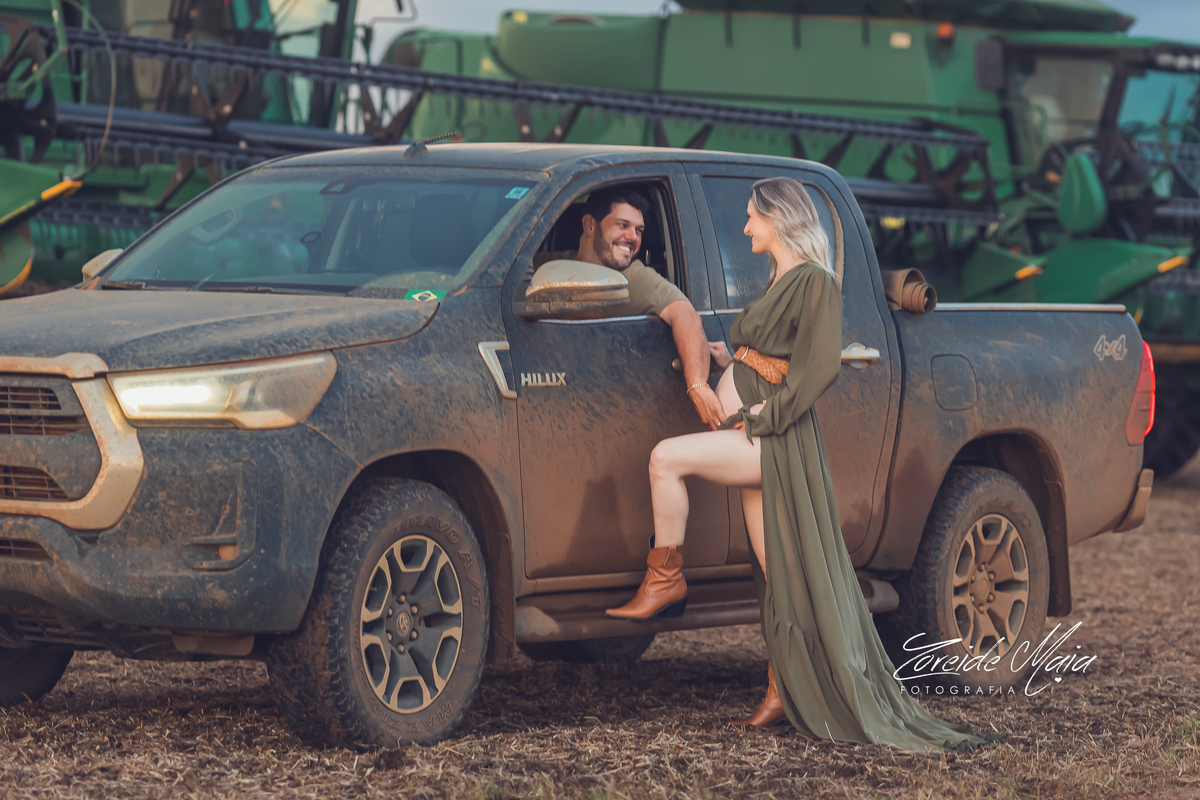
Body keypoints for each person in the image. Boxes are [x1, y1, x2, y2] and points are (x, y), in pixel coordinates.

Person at [606, 177, 992, 751]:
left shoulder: (816, 281)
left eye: (751, 217)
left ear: (778, 217)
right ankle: (784, 688)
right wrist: (729, 359)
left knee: (666, 459)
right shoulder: (779, 277)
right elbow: (772, 354)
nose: (745, 227)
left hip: (772, 438)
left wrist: (766, 416)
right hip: (757, 427)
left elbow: (819, 367)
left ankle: (665, 579)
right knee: (777, 571)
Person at [537, 187, 725, 432]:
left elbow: (686, 315)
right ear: (590, 225)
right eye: (623, 225)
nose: (632, 237)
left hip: (602, 411)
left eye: (639, 230)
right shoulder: (550, 265)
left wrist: (698, 385)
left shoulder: (634, 277)